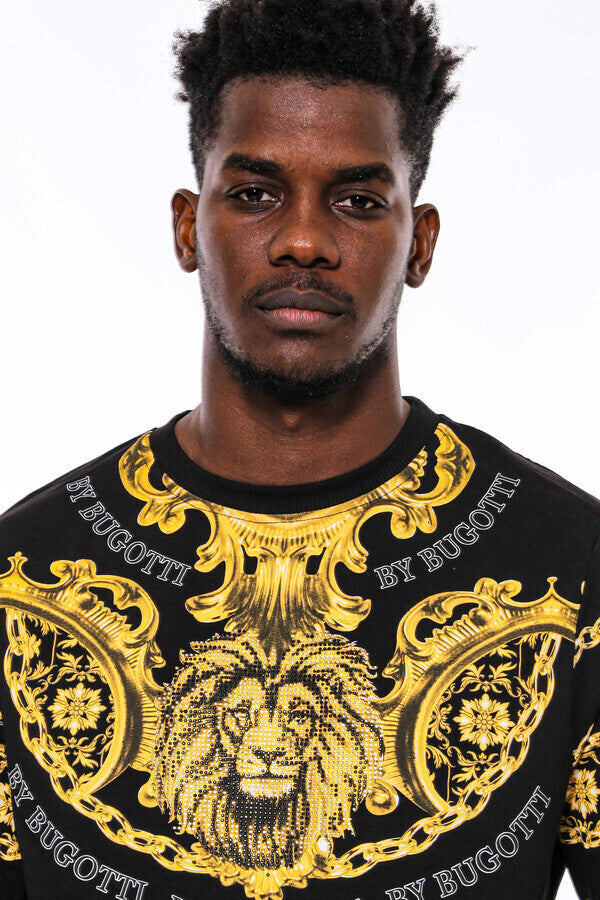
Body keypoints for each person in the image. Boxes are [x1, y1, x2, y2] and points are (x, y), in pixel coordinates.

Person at [0, 1, 598, 898]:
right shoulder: (24, 581)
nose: (304, 241)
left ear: (420, 243)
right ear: (187, 228)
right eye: (255, 194)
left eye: (357, 201)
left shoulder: (570, 569)